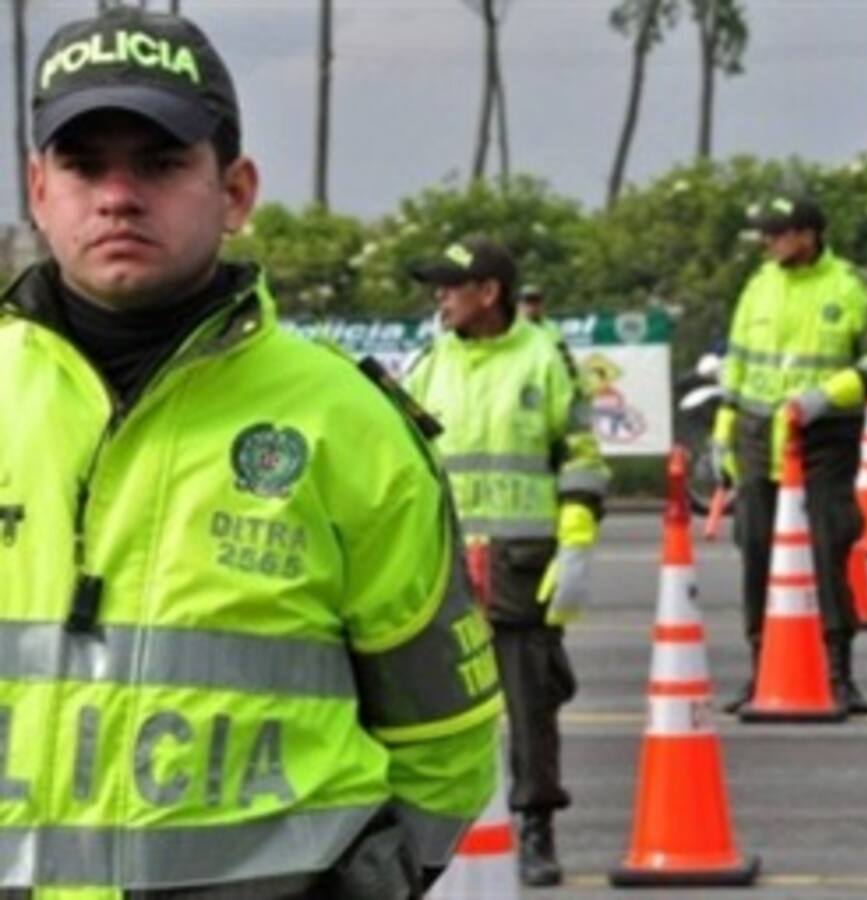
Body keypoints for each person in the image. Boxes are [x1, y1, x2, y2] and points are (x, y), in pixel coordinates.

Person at [1, 8, 500, 898]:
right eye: (84, 166)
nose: (118, 195)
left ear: (235, 192)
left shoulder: (347, 422)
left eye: (159, 163)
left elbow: (446, 742)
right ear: (38, 189)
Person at [405, 237, 609, 888]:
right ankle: (431, 835)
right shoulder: (431, 362)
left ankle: (536, 828)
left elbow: (579, 451)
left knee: (530, 705)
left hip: (522, 564)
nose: (440, 298)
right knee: (431, 708)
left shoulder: (543, 359)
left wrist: (576, 536)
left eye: (450, 286)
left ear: (488, 292)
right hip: (443, 569)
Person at [711, 195, 867, 717]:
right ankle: (764, 666)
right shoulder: (759, 285)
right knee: (757, 551)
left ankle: (838, 673)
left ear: (809, 235)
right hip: (757, 435)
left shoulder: (850, 287)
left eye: (778, 233)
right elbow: (737, 364)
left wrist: (828, 394)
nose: (768, 243)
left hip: (822, 437)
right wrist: (724, 433)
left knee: (825, 547)